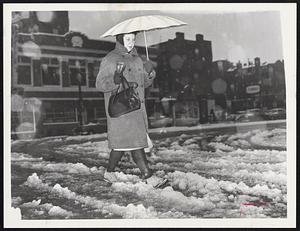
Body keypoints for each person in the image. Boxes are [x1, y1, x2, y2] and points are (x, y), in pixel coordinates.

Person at [96, 32, 167, 188]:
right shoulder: (110, 59)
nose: (131, 42)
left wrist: (149, 74)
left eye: (133, 39)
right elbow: (100, 84)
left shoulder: (137, 59)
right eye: (128, 39)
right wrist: (115, 80)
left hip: (136, 107)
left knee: (121, 146)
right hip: (121, 109)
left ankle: (109, 172)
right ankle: (148, 176)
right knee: (135, 143)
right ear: (120, 39)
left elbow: (144, 84)